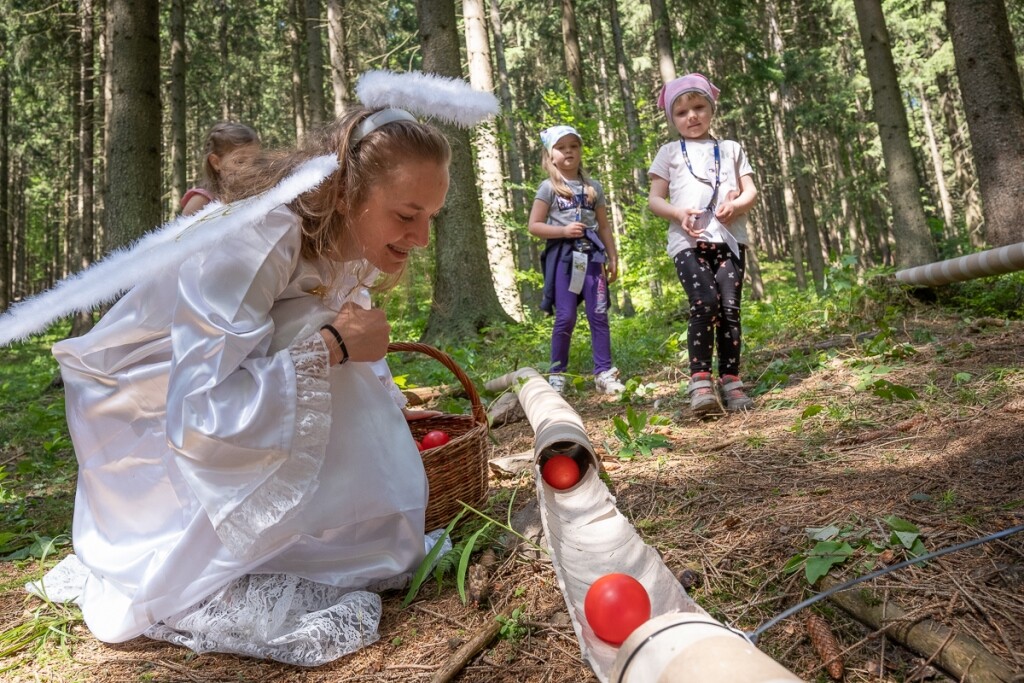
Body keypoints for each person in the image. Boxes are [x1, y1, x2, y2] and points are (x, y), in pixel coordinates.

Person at [27, 102, 465, 666]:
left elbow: (339, 333)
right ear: (344, 192)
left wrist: (373, 393)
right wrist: (331, 346)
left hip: (223, 374)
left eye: (431, 215)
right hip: (144, 396)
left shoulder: (347, 235)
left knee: (317, 328)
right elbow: (202, 409)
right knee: (314, 330)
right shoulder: (259, 235)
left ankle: (327, 542)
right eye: (408, 214)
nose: (422, 238)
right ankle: (241, 553)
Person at [647, 73, 758, 415]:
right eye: (682, 112)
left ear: (711, 109)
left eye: (698, 108)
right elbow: (654, 199)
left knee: (729, 309)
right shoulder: (668, 152)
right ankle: (699, 382)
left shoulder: (731, 149)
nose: (691, 117)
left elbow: (751, 190)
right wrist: (677, 213)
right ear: (672, 118)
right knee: (704, 303)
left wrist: (737, 206)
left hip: (729, 241)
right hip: (688, 242)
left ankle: (731, 379)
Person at [528, 124, 624, 397]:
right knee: (566, 316)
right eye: (561, 147)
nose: (568, 151)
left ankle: (604, 372)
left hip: (592, 257)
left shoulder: (594, 188)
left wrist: (612, 256)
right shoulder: (548, 188)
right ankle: (557, 374)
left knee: (598, 312)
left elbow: (604, 226)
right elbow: (534, 225)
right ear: (551, 155)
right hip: (563, 260)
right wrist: (562, 231)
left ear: (581, 150)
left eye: (574, 146)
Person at [180, 121, 260, 215]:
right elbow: (180, 229)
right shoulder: (202, 201)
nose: (250, 168)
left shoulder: (254, 196)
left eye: (255, 162)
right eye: (240, 162)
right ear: (216, 162)